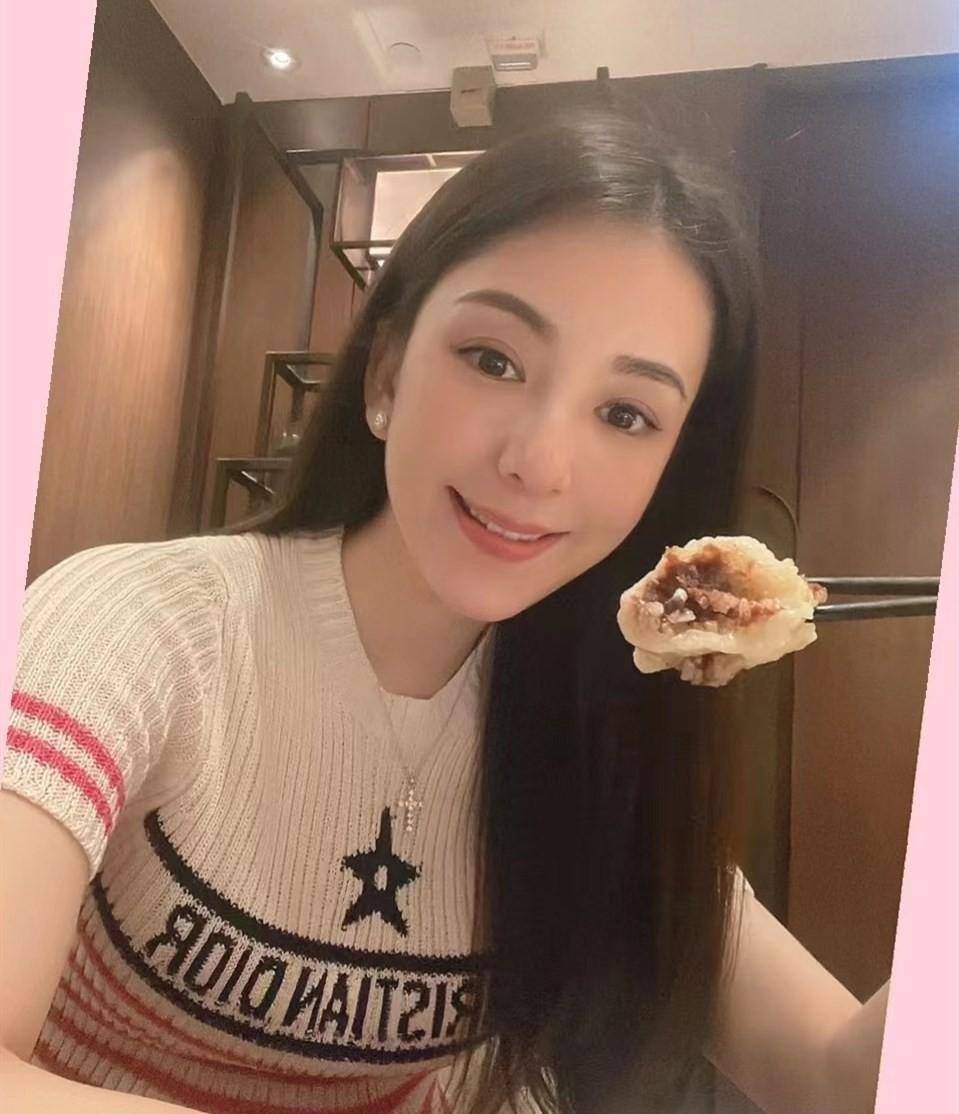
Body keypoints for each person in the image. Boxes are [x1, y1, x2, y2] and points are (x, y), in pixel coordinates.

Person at [0, 111, 887, 1114]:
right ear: (385, 371)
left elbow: (833, 1078)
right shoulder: (137, 628)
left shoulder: (596, 726)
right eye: (492, 360)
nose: (538, 464)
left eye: (625, 414)